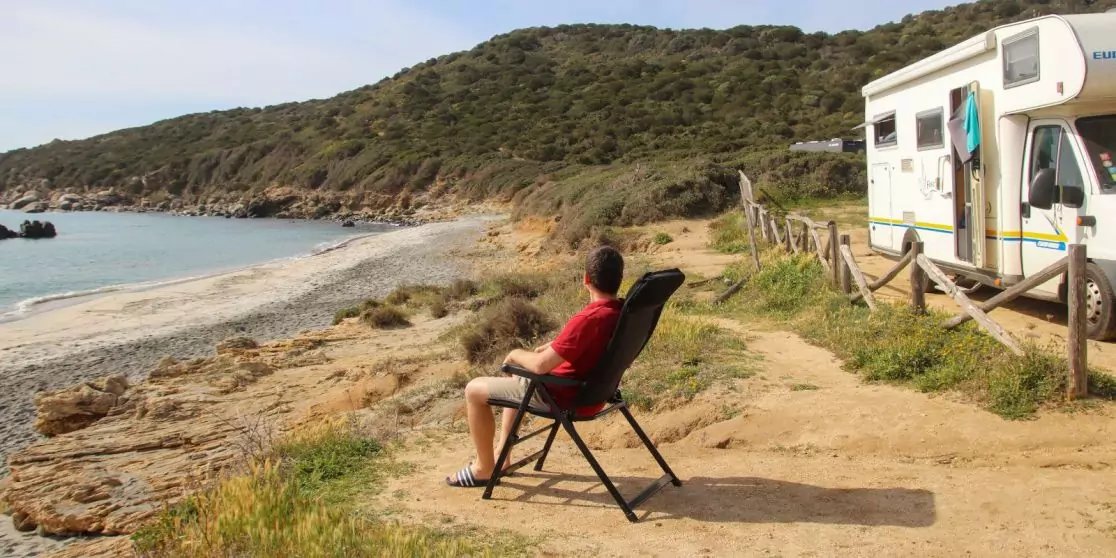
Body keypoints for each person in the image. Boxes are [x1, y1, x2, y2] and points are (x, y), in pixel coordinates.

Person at [446, 246, 625, 488]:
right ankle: (502, 455)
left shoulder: (589, 319)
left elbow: (540, 366)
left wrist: (516, 353)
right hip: (595, 393)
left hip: (563, 396)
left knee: (474, 390)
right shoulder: (620, 313)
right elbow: (595, 345)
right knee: (516, 381)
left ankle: (483, 469)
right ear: (619, 279)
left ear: (586, 279)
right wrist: (558, 346)